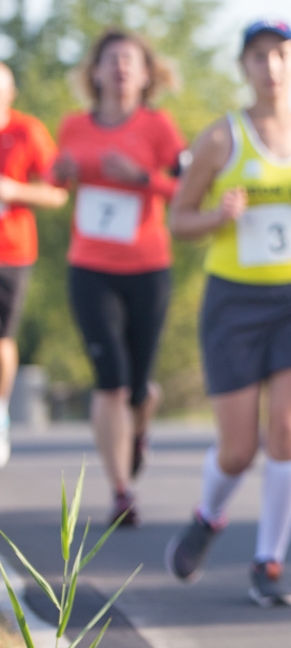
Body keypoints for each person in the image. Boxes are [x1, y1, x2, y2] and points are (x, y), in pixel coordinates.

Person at [164, 20, 291, 608]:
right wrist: (217, 216)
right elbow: (178, 220)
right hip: (235, 301)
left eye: (281, 55)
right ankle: (208, 513)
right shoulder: (222, 139)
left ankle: (269, 561)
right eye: (259, 56)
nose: (271, 66)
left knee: (287, 429)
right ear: (243, 67)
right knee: (238, 450)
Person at [53, 30, 186, 526]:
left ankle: (140, 427)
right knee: (109, 382)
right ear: (95, 72)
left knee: (138, 389)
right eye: (112, 60)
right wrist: (61, 170)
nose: (121, 69)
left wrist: (139, 176)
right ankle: (121, 491)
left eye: (131, 61)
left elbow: (186, 187)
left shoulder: (159, 126)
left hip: (149, 268)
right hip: (90, 267)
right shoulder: (73, 126)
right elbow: (55, 179)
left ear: (147, 74)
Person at [0, 62, 68, 467]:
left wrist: (14, 189)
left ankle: (0, 410)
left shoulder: (27, 131)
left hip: (10, 252)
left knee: (1, 338)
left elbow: (58, 191)